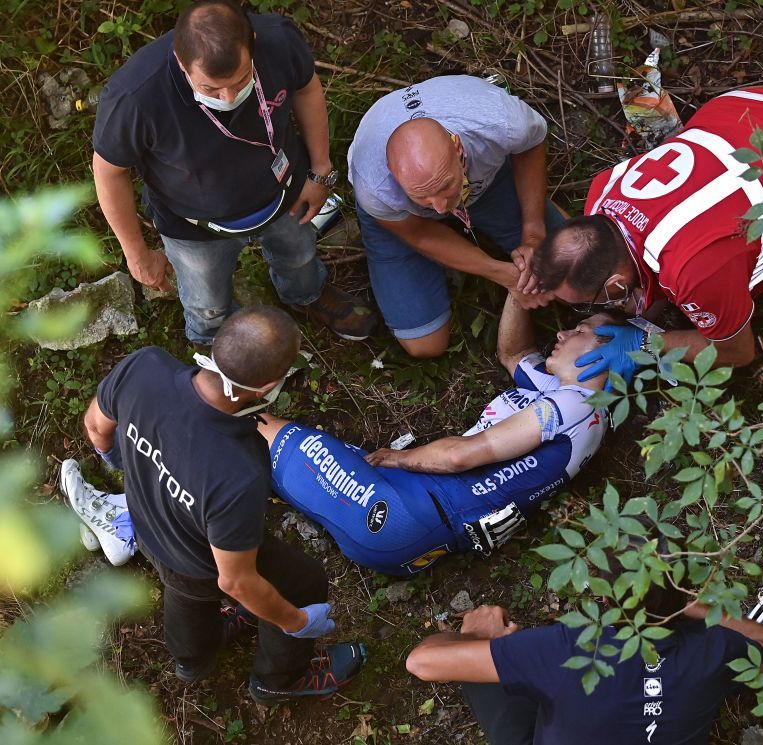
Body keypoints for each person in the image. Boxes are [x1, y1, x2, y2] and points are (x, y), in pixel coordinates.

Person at [528, 85, 763, 493]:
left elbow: (738, 352)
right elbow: (642, 261)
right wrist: (620, 313)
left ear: (615, 284)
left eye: (590, 304)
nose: (585, 315)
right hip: (746, 114)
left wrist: (642, 344)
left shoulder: (693, 267)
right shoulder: (601, 195)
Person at [77, 306, 365, 704]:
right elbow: (234, 581)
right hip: (199, 562)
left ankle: (193, 659)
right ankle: (279, 680)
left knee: (185, 592)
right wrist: (296, 621)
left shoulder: (144, 368)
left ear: (217, 346)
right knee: (300, 582)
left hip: (146, 523)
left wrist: (132, 467)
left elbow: (95, 426)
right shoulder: (239, 470)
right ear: (266, 387)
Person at [255, 293, 613, 574]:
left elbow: (460, 456)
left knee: (254, 426)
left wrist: (401, 458)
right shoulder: (569, 396)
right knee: (261, 456)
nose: (563, 333)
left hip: (406, 513)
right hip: (421, 528)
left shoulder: (575, 405)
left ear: (613, 357)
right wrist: (517, 291)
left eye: (582, 332)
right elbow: (514, 353)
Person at [92, 0, 375, 346]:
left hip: (285, 192)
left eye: (241, 80)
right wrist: (137, 255)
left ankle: (306, 295)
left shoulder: (279, 40)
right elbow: (108, 172)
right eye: (211, 89)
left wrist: (319, 172)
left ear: (252, 42)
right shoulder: (135, 98)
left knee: (300, 257)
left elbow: (307, 88)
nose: (229, 96)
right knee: (207, 304)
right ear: (182, 63)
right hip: (195, 227)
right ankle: (216, 344)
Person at [405, 549, 763, 744]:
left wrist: (476, 635)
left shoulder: (563, 650)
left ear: (607, 599)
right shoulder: (715, 652)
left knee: (495, 665)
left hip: (555, 688)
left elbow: (422, 662)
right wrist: (694, 606)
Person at [347, 75, 563, 359]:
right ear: (393, 173)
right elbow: (421, 233)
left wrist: (534, 232)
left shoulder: (501, 122)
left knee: (566, 272)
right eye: (422, 196)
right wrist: (504, 274)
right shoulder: (374, 184)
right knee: (425, 345)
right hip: (406, 219)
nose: (438, 207)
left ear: (457, 146)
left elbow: (531, 145)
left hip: (485, 182)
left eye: (444, 186)